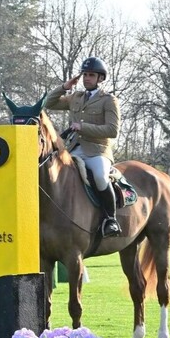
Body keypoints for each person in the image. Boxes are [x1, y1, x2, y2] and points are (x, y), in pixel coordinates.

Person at [45, 56, 122, 237]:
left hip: (97, 150)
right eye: (85, 74)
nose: (87, 78)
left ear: (100, 78)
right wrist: (65, 87)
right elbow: (49, 103)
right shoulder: (76, 97)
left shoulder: (109, 100)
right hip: (73, 149)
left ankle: (111, 219)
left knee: (100, 177)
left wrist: (83, 127)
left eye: (91, 75)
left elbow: (112, 130)